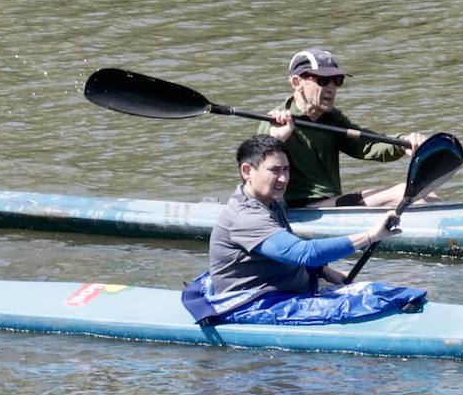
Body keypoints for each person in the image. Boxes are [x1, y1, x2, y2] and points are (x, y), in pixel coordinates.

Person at [181, 135, 427, 325]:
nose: (283, 179)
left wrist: (324, 271)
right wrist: (370, 236)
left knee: (381, 293)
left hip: (280, 292)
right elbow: (303, 253)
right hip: (254, 303)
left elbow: (287, 253)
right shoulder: (245, 217)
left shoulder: (272, 200)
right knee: (384, 297)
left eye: (286, 170)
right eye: (275, 171)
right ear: (247, 172)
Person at [259, 48, 433, 208]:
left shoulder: (332, 117)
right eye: (323, 80)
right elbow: (258, 179)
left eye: (337, 81)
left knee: (426, 193)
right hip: (298, 209)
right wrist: (277, 139)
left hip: (330, 203)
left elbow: (366, 145)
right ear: (297, 82)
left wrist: (402, 142)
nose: (331, 88)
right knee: (401, 192)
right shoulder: (274, 123)